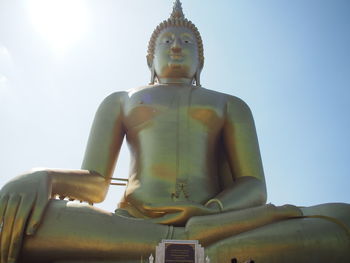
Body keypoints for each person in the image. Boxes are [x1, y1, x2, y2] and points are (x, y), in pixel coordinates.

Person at [0, 1, 349, 263]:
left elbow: (254, 185)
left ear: (201, 62)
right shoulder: (121, 100)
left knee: (342, 218)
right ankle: (195, 248)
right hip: (134, 223)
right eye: (167, 41)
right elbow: (95, 183)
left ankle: (179, 244)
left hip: (216, 219)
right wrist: (42, 177)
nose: (177, 45)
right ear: (150, 60)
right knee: (14, 220)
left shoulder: (229, 104)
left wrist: (210, 212)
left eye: (186, 41)